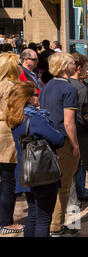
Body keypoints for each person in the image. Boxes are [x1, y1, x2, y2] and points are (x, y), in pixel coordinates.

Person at [6, 81, 66, 237]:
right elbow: (58, 139)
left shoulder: (16, 117)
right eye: (35, 93)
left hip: (26, 172)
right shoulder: (35, 119)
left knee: (33, 216)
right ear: (29, 98)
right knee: (44, 218)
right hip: (42, 172)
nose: (38, 96)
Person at [38, 52, 80, 237]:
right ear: (65, 67)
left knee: (53, 185)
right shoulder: (69, 89)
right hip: (63, 141)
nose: (75, 66)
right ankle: (56, 226)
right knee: (63, 185)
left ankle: (51, 223)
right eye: (72, 64)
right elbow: (69, 122)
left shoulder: (46, 86)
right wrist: (75, 145)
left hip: (48, 139)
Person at [68, 52, 88, 214]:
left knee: (71, 172)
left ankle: (72, 203)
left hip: (70, 134)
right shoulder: (81, 89)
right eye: (86, 67)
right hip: (84, 136)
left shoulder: (64, 84)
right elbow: (85, 116)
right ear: (78, 68)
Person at [0, 52, 24, 235]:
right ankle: (5, 222)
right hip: (6, 136)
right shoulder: (9, 87)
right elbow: (13, 114)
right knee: (9, 181)